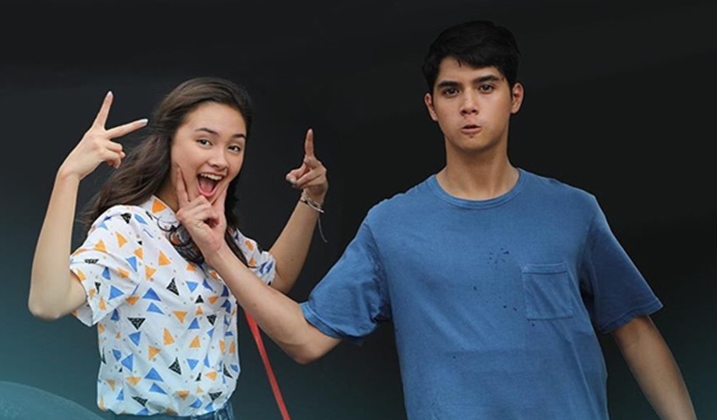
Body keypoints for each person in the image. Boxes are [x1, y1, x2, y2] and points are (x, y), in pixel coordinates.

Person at [154, 22, 697, 419]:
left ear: (514, 97)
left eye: (486, 86)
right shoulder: (392, 226)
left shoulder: (573, 211)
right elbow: (304, 339)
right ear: (431, 106)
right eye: (451, 90)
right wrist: (217, 251)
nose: (469, 105)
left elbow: (636, 332)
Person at [28, 76, 329, 419]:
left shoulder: (215, 231)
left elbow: (275, 280)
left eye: (234, 147)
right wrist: (68, 177)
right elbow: (47, 303)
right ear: (169, 141)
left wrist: (312, 197)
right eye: (205, 141)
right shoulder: (131, 227)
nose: (221, 160)